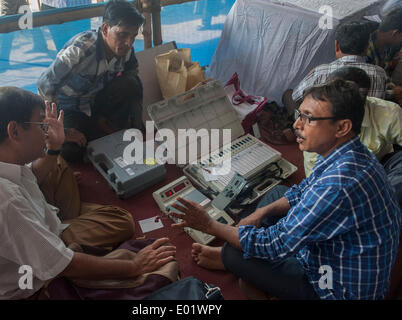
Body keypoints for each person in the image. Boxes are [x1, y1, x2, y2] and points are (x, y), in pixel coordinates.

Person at [169, 79, 401, 300]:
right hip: (337, 255)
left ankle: (234, 262)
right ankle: (246, 266)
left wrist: (209, 225)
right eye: (299, 114)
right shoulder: (348, 152)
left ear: (342, 127)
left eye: (308, 118)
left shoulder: (339, 184)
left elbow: (274, 244)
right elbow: (301, 193)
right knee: (277, 195)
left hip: (334, 286)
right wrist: (260, 214)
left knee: (233, 252)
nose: (296, 125)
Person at [0, 87, 175, 300]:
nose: (46, 131)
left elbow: (30, 177)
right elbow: (62, 264)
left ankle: (65, 228)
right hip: (28, 281)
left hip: (29, 231)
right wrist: (134, 266)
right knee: (133, 233)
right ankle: (73, 243)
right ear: (15, 131)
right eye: (41, 124)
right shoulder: (1, 201)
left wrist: (54, 146)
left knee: (57, 162)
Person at [37, 0, 145, 163]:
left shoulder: (126, 50)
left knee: (131, 83)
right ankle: (96, 130)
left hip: (96, 102)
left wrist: (137, 128)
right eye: (122, 34)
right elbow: (44, 85)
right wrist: (63, 130)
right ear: (105, 28)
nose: (129, 43)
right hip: (70, 108)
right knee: (70, 152)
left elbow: (132, 79)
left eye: (133, 36)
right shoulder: (81, 50)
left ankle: (105, 126)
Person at [303, 67, 402, 177]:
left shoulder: (388, 112)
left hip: (382, 166)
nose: (296, 125)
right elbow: (314, 177)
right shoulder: (315, 123)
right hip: (339, 178)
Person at [284, 22, 387, 114]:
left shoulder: (321, 72)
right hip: (366, 128)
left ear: (336, 45)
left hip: (326, 127)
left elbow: (296, 97)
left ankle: (298, 127)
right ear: (366, 48)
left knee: (288, 95)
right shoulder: (379, 73)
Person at [365, 7, 402, 105]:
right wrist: (392, 93)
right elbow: (366, 91)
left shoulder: (387, 45)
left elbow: (384, 74)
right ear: (395, 33)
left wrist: (394, 89)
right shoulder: (365, 50)